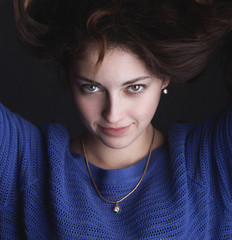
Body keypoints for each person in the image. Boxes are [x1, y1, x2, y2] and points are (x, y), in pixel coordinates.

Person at [1, 0, 232, 239]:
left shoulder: (212, 164)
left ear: (164, 77)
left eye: (134, 87)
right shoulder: (23, 165)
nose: (113, 114)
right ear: (70, 77)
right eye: (91, 87)